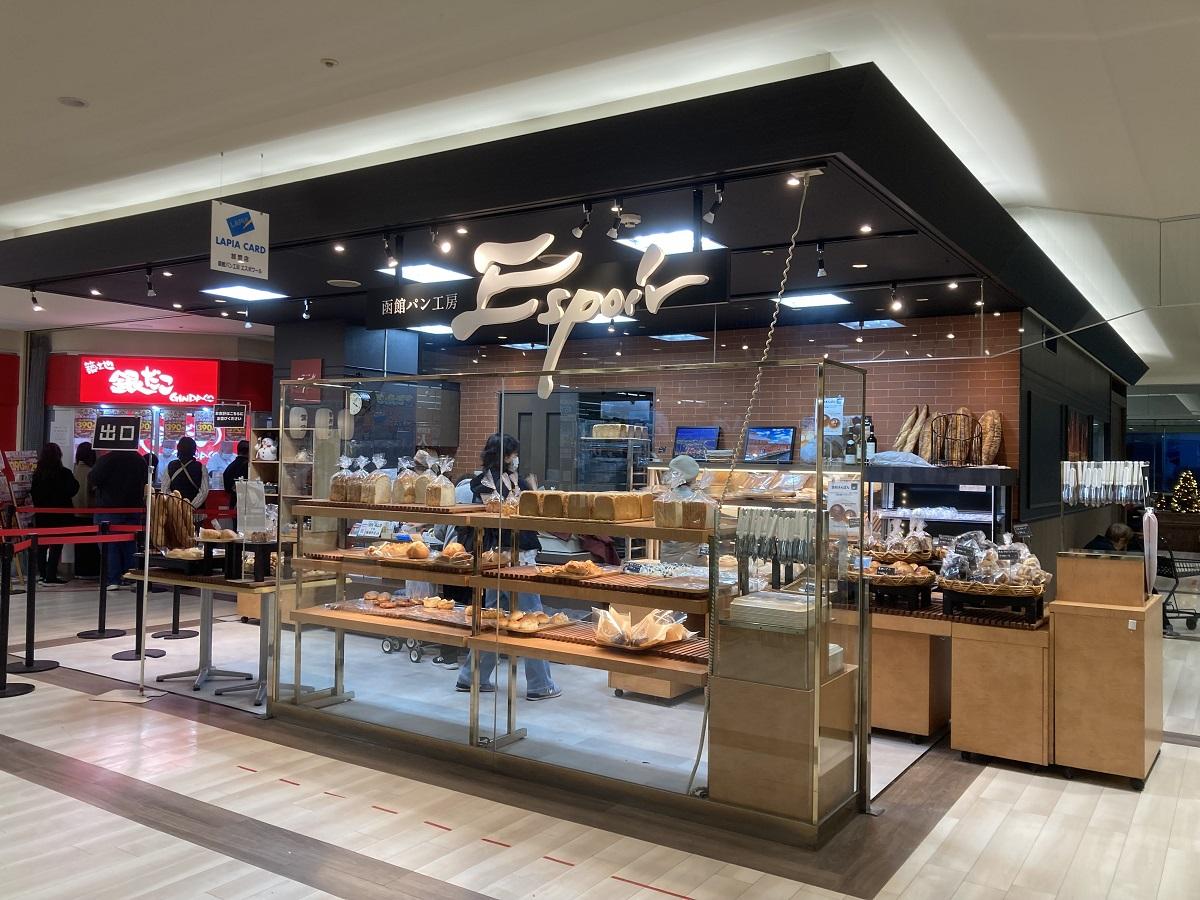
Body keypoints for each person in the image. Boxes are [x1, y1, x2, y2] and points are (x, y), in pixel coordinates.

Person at [456, 434, 560, 701]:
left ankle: (471, 677)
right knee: (531, 617)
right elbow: (515, 515)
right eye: (513, 454)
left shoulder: (496, 481)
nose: (516, 459)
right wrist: (531, 492)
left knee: (494, 619)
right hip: (513, 558)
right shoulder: (490, 484)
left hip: (498, 558)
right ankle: (540, 684)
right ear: (505, 455)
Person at [90, 449, 150, 590]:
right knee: (130, 544)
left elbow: (93, 478)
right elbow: (147, 480)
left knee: (109, 545)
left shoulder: (107, 459)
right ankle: (132, 576)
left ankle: (113, 579)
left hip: (109, 508)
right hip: (133, 508)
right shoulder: (139, 459)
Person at [29, 443, 79, 584]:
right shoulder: (65, 473)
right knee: (56, 545)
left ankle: (42, 573)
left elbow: (34, 494)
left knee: (41, 545)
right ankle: (51, 574)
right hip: (61, 514)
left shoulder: (37, 474)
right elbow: (73, 489)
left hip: (42, 515)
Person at [71, 442, 100, 578]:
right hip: (89, 513)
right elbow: (95, 491)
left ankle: (79, 571)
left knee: (79, 545)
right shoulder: (91, 472)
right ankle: (91, 571)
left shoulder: (74, 470)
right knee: (91, 546)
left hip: (75, 513)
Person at [166, 436, 209, 509]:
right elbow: (204, 491)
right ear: (194, 450)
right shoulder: (201, 467)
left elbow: (165, 489)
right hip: (197, 512)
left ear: (178, 449)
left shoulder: (170, 466)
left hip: (175, 511)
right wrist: (190, 507)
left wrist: (176, 506)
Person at [222, 439, 250, 527]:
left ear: (238, 451)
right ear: (249, 451)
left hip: (234, 503)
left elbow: (226, 488)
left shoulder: (230, 467)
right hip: (248, 504)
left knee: (236, 529)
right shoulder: (250, 467)